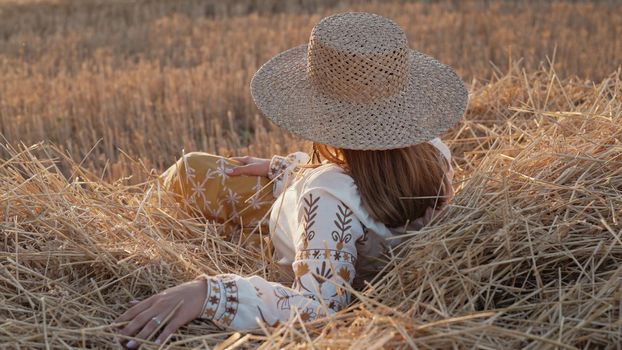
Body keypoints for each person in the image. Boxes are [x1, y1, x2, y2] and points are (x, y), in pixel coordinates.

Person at [114, 12, 468, 348]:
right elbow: (368, 185)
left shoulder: (327, 197)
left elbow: (319, 310)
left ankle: (125, 237)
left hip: (291, 239)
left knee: (190, 171)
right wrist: (286, 169)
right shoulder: (433, 152)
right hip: (326, 230)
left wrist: (209, 292)